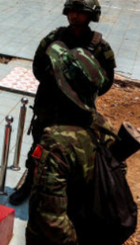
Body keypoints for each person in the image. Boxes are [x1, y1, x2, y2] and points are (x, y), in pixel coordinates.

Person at [9, 0, 116, 205]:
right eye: (72, 11)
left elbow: (106, 82)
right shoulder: (53, 39)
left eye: (80, 12)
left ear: (91, 16)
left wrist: (80, 90)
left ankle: (66, 195)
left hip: (77, 112)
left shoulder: (100, 47)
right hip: (49, 106)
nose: (74, 16)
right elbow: (38, 69)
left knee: (72, 154)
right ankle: (29, 185)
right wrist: (53, 75)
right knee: (39, 149)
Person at [26, 41, 118, 245]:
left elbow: (50, 218)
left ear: (63, 88)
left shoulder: (56, 143)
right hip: (87, 226)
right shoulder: (104, 127)